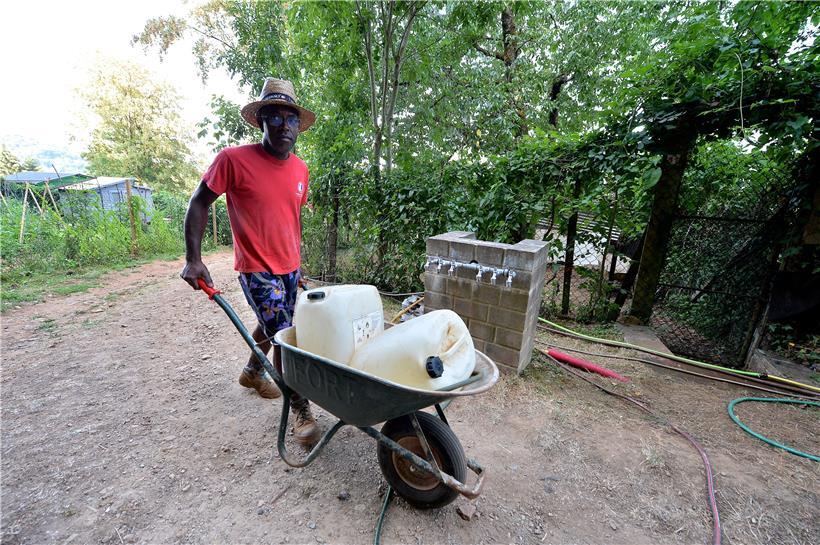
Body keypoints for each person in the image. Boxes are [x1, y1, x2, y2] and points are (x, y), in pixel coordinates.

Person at [180, 78, 320, 447]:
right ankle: (301, 409)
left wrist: (298, 265)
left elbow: (289, 219)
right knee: (286, 336)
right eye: (275, 117)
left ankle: (252, 371)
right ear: (261, 121)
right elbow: (198, 203)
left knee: (271, 324)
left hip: (289, 267)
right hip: (256, 268)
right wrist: (193, 260)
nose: (285, 126)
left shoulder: (301, 170)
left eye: (291, 118)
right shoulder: (233, 160)